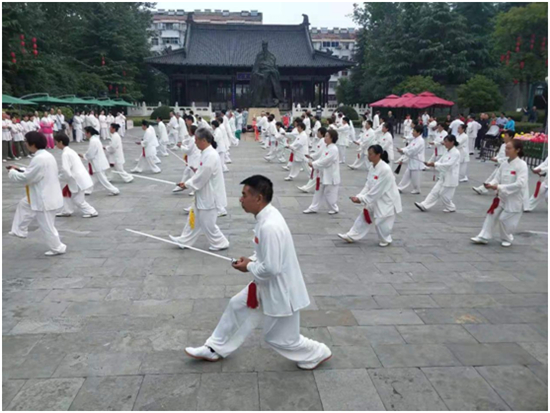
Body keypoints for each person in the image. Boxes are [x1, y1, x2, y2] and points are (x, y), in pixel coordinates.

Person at [185, 175, 332, 369]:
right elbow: (265, 257)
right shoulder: (267, 217)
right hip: (265, 285)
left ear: (258, 198)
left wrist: (248, 266)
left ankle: (318, 352)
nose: (240, 199)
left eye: (244, 195)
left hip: (281, 290)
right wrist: (251, 260)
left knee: (280, 339)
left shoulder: (269, 226)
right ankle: (214, 348)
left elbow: (271, 268)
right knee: (237, 304)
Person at [169, 127, 229, 251]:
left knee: (208, 224)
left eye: (196, 140)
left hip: (209, 195)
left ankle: (221, 242)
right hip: (203, 193)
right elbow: (202, 172)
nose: (195, 142)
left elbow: (202, 177)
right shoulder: (206, 153)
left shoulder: (210, 155)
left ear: (203, 140)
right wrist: (194, 175)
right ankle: (184, 240)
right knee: (194, 220)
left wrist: (186, 184)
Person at [8, 131, 67, 255]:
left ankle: (58, 247)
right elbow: (33, 172)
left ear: (33, 144)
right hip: (47, 194)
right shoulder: (45, 156)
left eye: (26, 142)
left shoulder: (40, 158)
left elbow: (28, 178)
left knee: (47, 226)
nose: (25, 144)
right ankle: (19, 230)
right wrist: (20, 169)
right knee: (24, 204)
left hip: (44, 198)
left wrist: (13, 173)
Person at [338, 144, 402, 246]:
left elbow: (377, 190)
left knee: (381, 223)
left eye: (371, 154)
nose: (368, 156)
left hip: (387, 200)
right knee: (365, 215)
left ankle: (386, 239)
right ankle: (351, 235)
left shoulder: (385, 170)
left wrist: (362, 199)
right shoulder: (372, 167)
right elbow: (368, 185)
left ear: (378, 155)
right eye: (368, 154)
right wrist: (359, 196)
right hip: (374, 198)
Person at [471, 140, 528, 247]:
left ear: (517, 150)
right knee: (491, 214)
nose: (506, 150)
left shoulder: (522, 165)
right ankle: (483, 236)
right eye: (506, 148)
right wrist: (490, 184)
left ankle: (507, 238)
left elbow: (520, 184)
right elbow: (497, 178)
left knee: (504, 219)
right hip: (502, 197)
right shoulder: (504, 164)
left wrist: (499, 187)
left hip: (514, 198)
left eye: (509, 148)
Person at [53, 132, 98, 218]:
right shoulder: (70, 150)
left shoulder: (65, 154)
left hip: (77, 179)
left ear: (61, 142)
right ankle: (67, 210)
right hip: (79, 177)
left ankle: (92, 211)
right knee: (66, 193)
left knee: (77, 200)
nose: (55, 144)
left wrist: (59, 177)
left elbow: (66, 170)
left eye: (56, 142)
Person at [415, 135, 461, 213]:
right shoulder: (447, 151)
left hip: (450, 177)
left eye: (446, 142)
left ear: (452, 142)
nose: (444, 143)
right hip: (443, 176)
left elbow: (449, 165)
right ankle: (424, 205)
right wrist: (431, 164)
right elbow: (441, 161)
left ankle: (451, 207)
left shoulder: (456, 153)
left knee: (444, 195)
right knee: (434, 191)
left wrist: (435, 165)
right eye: (444, 141)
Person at [303, 129, 340, 215]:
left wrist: (313, 164)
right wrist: (312, 158)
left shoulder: (333, 149)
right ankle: (313, 207)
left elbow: (326, 161)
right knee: (318, 191)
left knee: (329, 195)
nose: (325, 138)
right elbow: (321, 158)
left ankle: (334, 208)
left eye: (327, 136)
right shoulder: (327, 147)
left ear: (332, 138)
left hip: (331, 176)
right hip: (323, 174)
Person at [79, 126, 120, 196]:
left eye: (85, 133)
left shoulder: (93, 141)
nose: (85, 134)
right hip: (98, 162)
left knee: (103, 180)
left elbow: (91, 153)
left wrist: (84, 155)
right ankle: (88, 190)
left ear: (89, 133)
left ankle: (114, 190)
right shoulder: (95, 139)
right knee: (92, 178)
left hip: (98, 163)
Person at [473, 130, 512, 195]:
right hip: (500, 165)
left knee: (497, 178)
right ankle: (483, 188)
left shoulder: (511, 146)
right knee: (493, 177)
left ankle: (484, 188)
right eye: (504, 135)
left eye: (506, 136)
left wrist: (498, 160)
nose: (504, 137)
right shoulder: (503, 145)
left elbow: (508, 157)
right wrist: (495, 158)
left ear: (510, 137)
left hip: (507, 165)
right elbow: (500, 154)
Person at [397, 125, 425, 194]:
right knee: (406, 175)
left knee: (415, 178)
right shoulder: (414, 139)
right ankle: (399, 187)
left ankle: (417, 189)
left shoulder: (420, 141)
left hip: (417, 161)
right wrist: (402, 149)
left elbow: (413, 150)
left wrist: (404, 151)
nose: (412, 133)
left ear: (418, 133)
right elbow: (409, 147)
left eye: (414, 131)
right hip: (412, 160)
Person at [298, 126, 327, 193]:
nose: (317, 133)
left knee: (316, 176)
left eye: (318, 132)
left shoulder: (323, 141)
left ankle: (307, 188)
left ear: (321, 133)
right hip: (319, 160)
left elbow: (319, 152)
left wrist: (311, 156)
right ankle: (307, 187)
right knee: (316, 176)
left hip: (320, 161)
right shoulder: (321, 141)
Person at [173, 124, 200, 195]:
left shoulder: (193, 139)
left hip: (194, 159)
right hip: (192, 158)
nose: (188, 131)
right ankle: (181, 185)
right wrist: (183, 144)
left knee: (193, 174)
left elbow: (188, 150)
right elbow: (189, 146)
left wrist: (181, 146)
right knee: (186, 172)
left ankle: (195, 189)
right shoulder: (193, 138)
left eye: (189, 130)